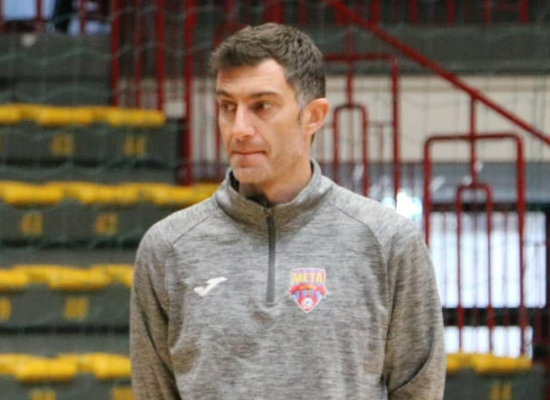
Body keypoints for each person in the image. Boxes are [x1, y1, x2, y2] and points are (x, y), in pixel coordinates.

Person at [130, 22, 445, 400]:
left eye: (261, 106)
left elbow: (418, 391)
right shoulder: (166, 248)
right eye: (228, 107)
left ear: (313, 116)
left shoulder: (389, 241)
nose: (239, 128)